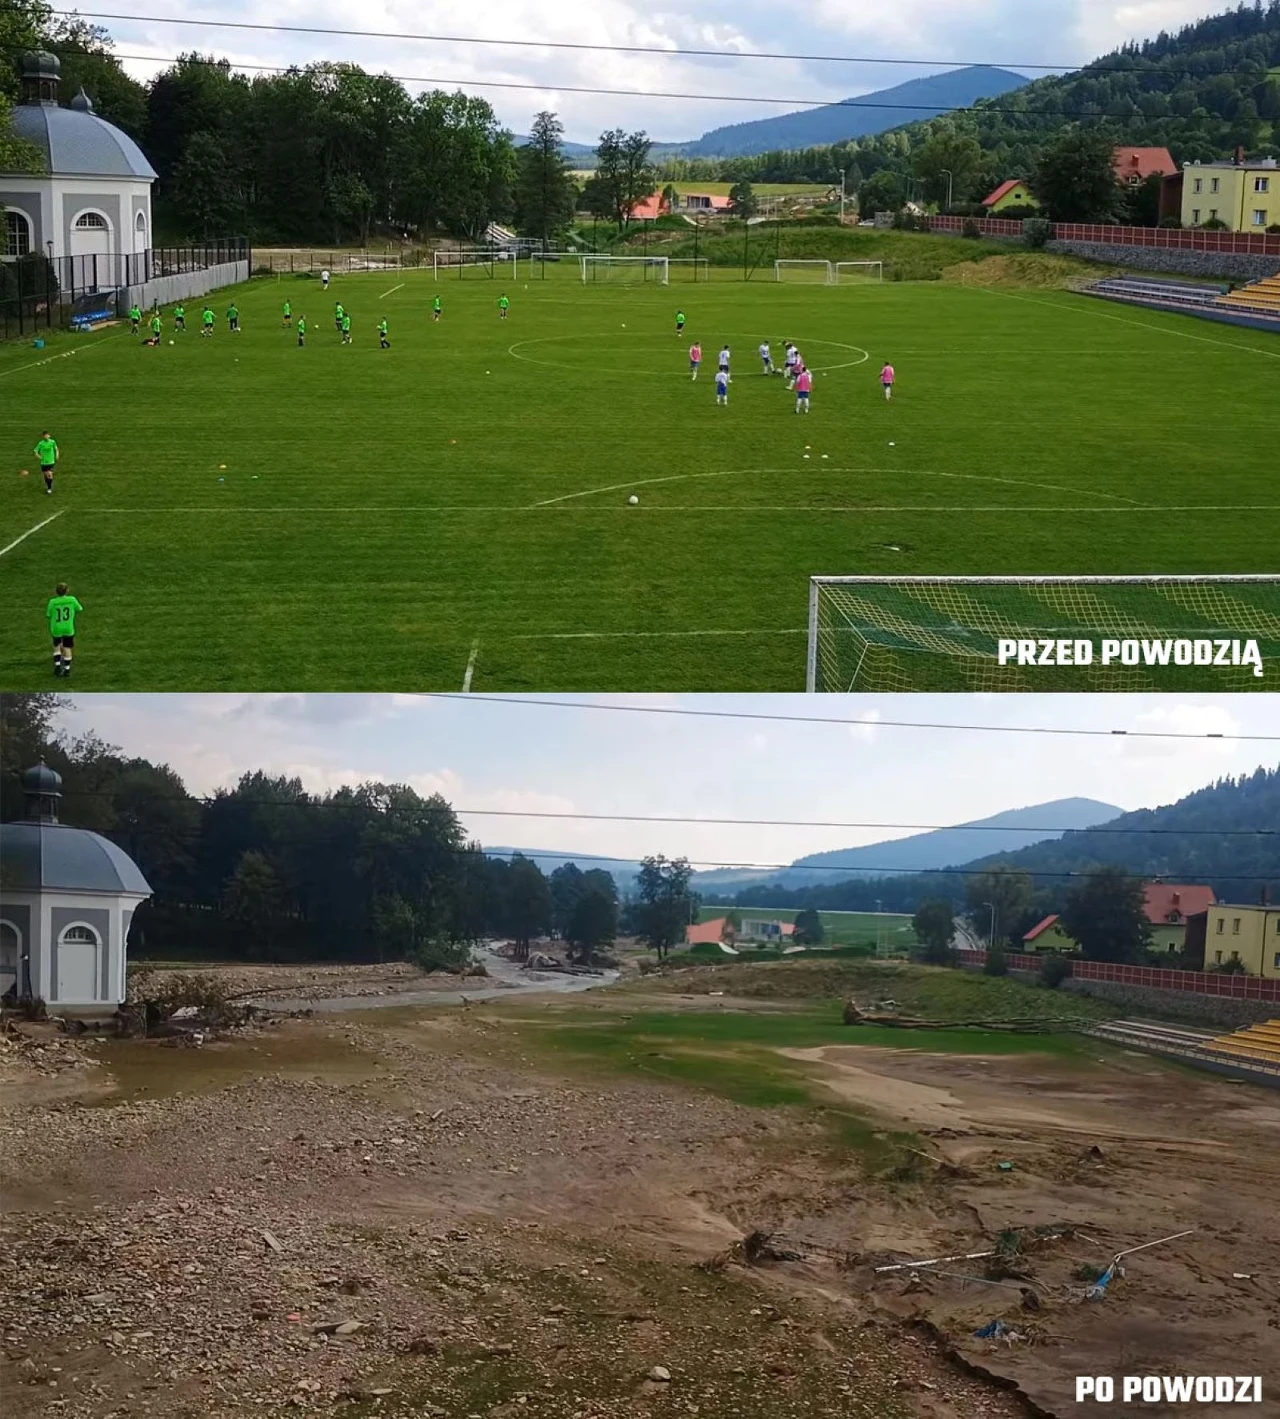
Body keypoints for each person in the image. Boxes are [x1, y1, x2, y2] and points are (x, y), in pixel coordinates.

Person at [46, 581, 82, 677]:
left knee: (56, 647)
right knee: (67, 648)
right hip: (68, 628)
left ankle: (57, 667)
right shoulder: (72, 599)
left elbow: (48, 614)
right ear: (67, 591)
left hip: (56, 628)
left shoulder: (52, 602)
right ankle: (67, 670)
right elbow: (79, 608)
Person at [34, 430, 58, 495]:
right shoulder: (41, 443)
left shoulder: (52, 442)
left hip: (51, 461)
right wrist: (39, 456)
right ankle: (48, 486)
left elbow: (56, 449)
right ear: (43, 436)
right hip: (44, 462)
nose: (46, 436)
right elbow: (35, 451)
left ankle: (49, 489)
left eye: (47, 435)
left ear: (49, 436)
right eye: (45, 435)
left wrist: (57, 455)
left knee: (49, 474)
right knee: (46, 475)